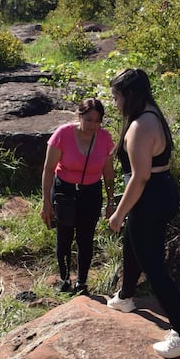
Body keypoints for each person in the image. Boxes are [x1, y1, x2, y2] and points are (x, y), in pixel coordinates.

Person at [106, 68, 180, 359]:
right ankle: (125, 296)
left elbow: (140, 177)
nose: (115, 103)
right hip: (161, 191)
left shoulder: (140, 126)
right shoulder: (151, 113)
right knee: (133, 243)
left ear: (129, 95)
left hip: (149, 196)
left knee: (154, 267)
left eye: (116, 97)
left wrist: (118, 213)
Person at [41, 98, 115, 295]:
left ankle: (82, 282)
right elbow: (48, 169)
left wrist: (111, 201)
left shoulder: (105, 138)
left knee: (86, 238)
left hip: (91, 192)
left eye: (97, 121)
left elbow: (109, 173)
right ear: (79, 116)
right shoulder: (62, 134)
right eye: (89, 120)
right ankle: (65, 279)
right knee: (64, 235)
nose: (93, 125)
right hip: (65, 190)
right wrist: (46, 202)